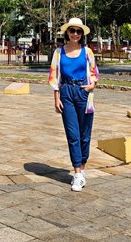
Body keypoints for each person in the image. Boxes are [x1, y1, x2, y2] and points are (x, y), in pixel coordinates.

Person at [48, 17, 99, 192]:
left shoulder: (87, 52)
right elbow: (54, 76)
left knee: (85, 135)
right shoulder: (59, 53)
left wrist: (91, 86)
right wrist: (57, 97)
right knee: (73, 134)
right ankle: (77, 173)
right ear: (67, 32)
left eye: (78, 31)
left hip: (83, 93)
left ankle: (82, 168)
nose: (75, 34)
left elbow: (94, 73)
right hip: (66, 93)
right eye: (72, 31)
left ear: (81, 34)